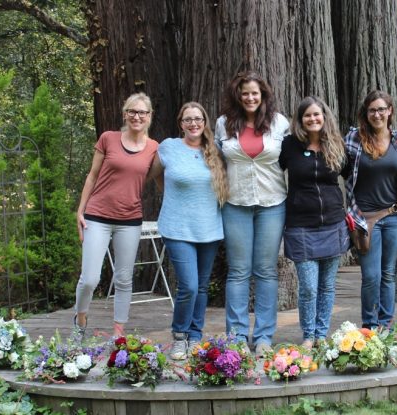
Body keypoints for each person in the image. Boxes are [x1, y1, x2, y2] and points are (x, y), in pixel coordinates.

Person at [214, 71, 289, 357]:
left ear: (263, 95)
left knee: (267, 271)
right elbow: (216, 160)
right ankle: (235, 336)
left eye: (255, 93)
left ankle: (264, 337)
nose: (250, 97)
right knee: (238, 271)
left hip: (272, 203)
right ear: (238, 95)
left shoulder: (280, 123)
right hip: (235, 203)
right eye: (245, 93)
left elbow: (290, 159)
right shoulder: (224, 123)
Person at [75, 92, 158, 339]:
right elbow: (92, 175)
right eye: (132, 111)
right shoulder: (108, 139)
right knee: (90, 278)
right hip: (97, 216)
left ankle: (118, 334)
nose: (137, 116)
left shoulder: (154, 148)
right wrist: (80, 210)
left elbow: (160, 178)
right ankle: (80, 322)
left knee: (123, 279)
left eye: (142, 112)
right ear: (125, 114)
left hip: (129, 221)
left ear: (149, 117)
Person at [148, 102, 228, 360]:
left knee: (202, 286)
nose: (193, 123)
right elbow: (155, 175)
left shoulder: (214, 151)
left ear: (205, 122)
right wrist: (171, 193)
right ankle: (179, 336)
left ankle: (195, 335)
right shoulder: (169, 147)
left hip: (209, 228)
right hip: (177, 227)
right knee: (189, 286)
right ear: (180, 123)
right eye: (187, 119)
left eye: (198, 119)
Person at [278, 96, 350, 349]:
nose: (312, 119)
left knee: (328, 286)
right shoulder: (289, 146)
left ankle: (322, 334)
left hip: (333, 223)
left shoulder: (337, 145)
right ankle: (308, 335)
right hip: (300, 225)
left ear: (324, 117)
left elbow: (353, 176)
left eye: (317, 114)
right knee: (308, 287)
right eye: (307, 115)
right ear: (300, 120)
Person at [344, 90, 397, 331]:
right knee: (371, 276)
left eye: (382, 109)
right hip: (364, 219)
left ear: (390, 111)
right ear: (366, 113)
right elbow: (337, 167)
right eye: (372, 110)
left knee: (388, 274)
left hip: (393, 216)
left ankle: (386, 326)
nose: (377, 114)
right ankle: (369, 325)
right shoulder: (354, 139)